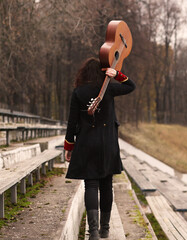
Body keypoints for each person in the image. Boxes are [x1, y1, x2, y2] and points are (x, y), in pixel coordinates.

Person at [63, 57, 136, 239]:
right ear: (101, 72)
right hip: (108, 145)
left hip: (87, 144)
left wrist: (69, 146)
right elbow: (130, 86)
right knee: (106, 185)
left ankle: (93, 232)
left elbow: (72, 122)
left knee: (91, 185)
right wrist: (117, 75)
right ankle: (105, 229)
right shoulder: (109, 88)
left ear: (84, 73)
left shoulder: (78, 92)